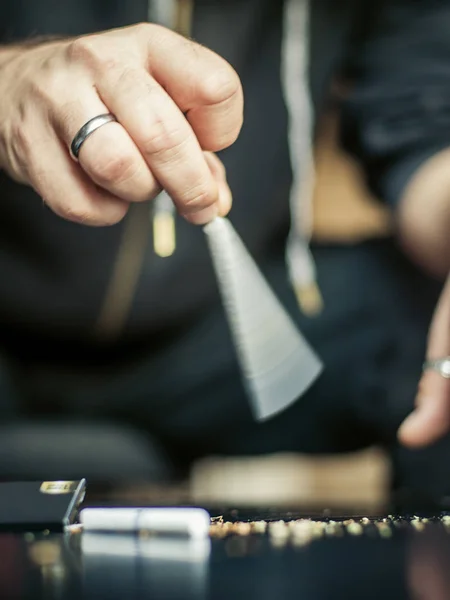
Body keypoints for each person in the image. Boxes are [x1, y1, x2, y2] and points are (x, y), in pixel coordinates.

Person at [0, 0, 448, 501]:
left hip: (209, 342)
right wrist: (10, 80)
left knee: (429, 322)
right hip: (8, 340)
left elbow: (423, 126)